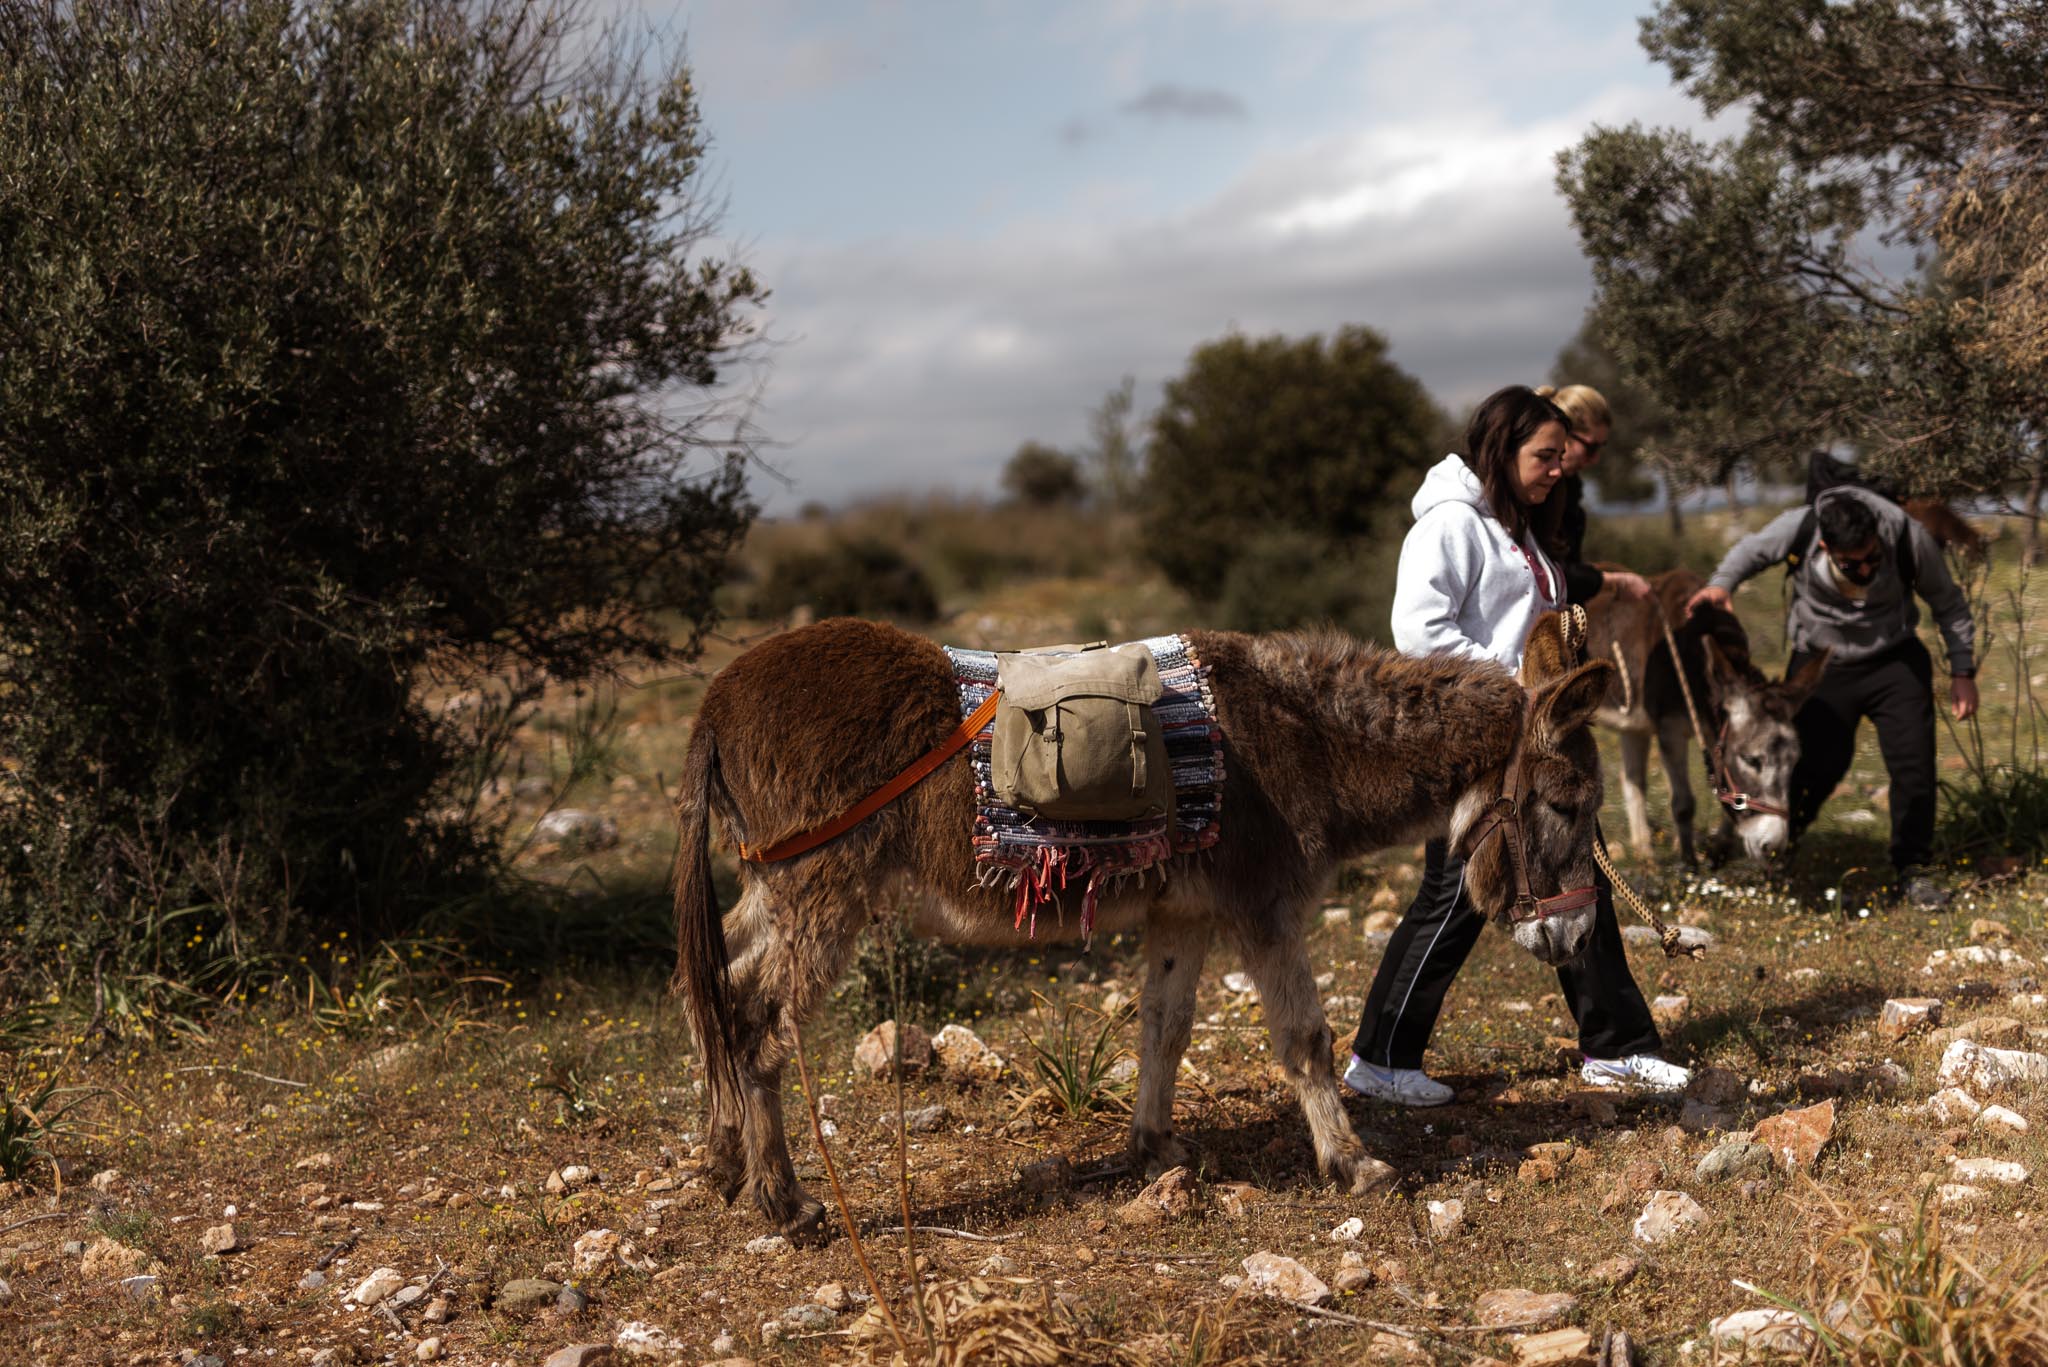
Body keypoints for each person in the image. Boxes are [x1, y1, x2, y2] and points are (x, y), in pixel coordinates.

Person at [1344, 386, 1690, 1107]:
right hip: (1477, 741)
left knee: (1569, 870)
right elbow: (1420, 629)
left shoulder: (1520, 530)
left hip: (1532, 740)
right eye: (1545, 454)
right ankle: (1378, 1059)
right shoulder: (1449, 526)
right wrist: (1515, 690)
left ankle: (1616, 1047)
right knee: (1454, 895)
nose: (1559, 467)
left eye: (1564, 455)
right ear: (1501, 450)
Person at [1685, 484, 1977, 909]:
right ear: (1825, 546)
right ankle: (1778, 848)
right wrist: (1722, 585)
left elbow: (1948, 602)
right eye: (1850, 563)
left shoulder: (1905, 535)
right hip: (1823, 663)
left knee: (1913, 763)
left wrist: (1963, 670)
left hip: (1894, 658)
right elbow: (1750, 551)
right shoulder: (1799, 528)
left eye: (1871, 559)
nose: (1864, 569)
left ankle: (1913, 869)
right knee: (1811, 765)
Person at [1535, 384, 1651, 606]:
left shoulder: (1569, 490)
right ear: (1564, 435)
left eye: (1601, 448)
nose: (1595, 459)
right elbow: (1545, 572)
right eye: (1590, 447)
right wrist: (1609, 582)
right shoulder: (1538, 492)